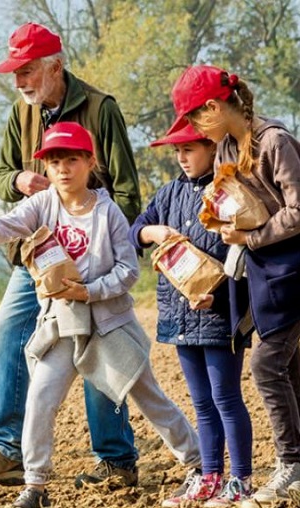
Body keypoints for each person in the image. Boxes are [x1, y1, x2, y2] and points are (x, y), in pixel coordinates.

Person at [0, 122, 200, 508]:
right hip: (63, 322)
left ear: (90, 162)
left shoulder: (108, 212)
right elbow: (6, 227)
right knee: (41, 397)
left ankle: (197, 463)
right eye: (54, 161)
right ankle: (35, 486)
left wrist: (89, 291)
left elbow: (129, 271)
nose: (62, 169)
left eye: (71, 160)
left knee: (148, 396)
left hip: (109, 324)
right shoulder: (43, 204)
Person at [0, 21, 142, 488]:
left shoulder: (100, 108)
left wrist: (98, 242)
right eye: (15, 73)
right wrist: (18, 180)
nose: (19, 81)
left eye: (27, 71)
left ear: (54, 67)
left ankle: (116, 460)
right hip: (36, 256)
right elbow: (2, 175)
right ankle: (6, 450)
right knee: (5, 330)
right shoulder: (21, 112)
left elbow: (127, 193)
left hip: (91, 260)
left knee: (96, 346)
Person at [169, 64, 300, 508]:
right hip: (265, 275)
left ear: (213, 107)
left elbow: (299, 210)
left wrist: (252, 237)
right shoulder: (227, 146)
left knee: (266, 365)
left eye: (194, 118)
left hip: (293, 269)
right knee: (290, 366)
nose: (192, 128)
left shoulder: (274, 142)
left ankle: (290, 463)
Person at [129, 122, 253, 507]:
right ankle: (210, 477)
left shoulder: (229, 193)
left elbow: (246, 258)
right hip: (180, 316)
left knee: (226, 398)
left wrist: (219, 299)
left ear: (212, 148)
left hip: (219, 317)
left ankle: (241, 481)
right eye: (177, 151)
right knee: (201, 402)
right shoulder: (168, 193)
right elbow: (136, 230)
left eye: (189, 150)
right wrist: (153, 233)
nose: (181, 158)